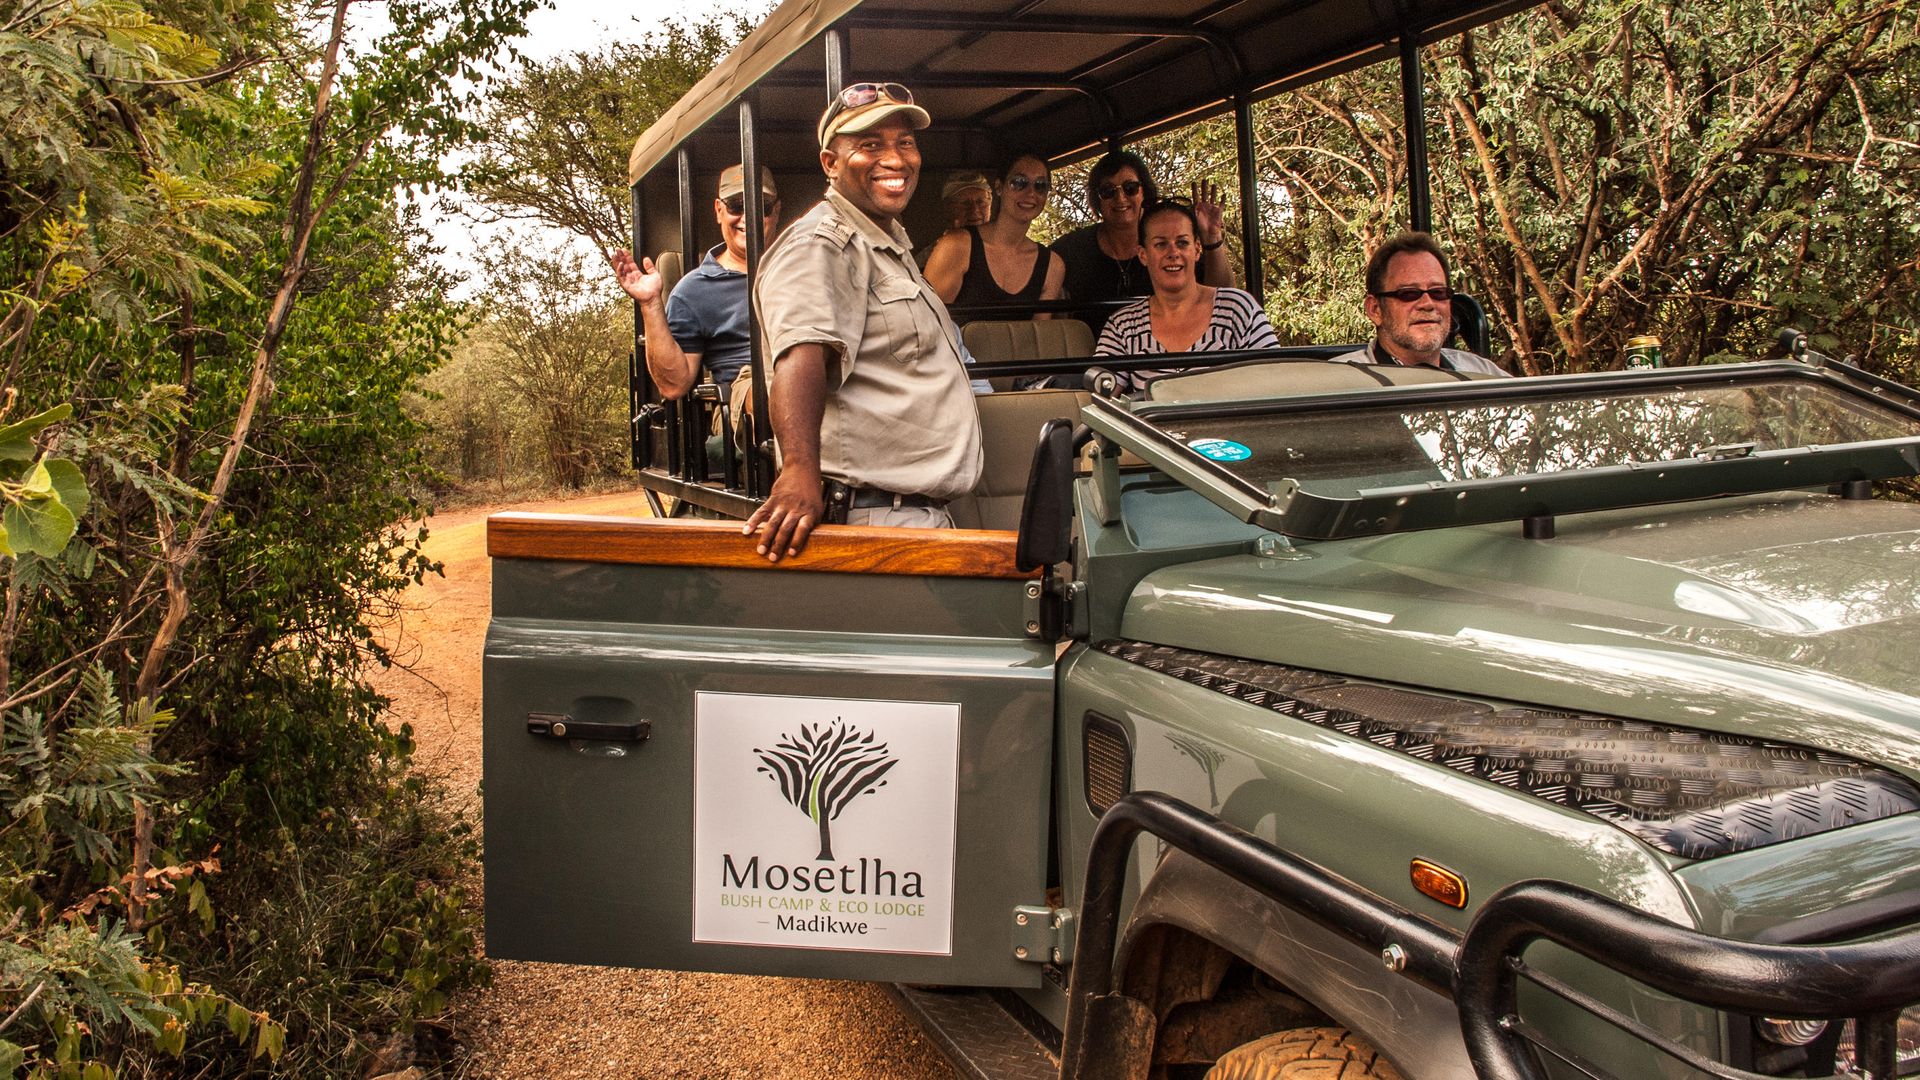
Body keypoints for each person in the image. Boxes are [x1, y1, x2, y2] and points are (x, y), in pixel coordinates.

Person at [744, 82, 984, 563]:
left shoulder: (887, 243)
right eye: (870, 145)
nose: (895, 159)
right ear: (830, 164)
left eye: (905, 143)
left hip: (915, 515)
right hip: (877, 518)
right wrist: (797, 469)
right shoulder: (821, 243)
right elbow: (799, 356)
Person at [613, 164, 782, 404]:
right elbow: (673, 386)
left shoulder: (804, 268)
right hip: (748, 395)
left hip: (817, 374)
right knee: (782, 388)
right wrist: (650, 303)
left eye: (761, 207)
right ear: (718, 210)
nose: (748, 216)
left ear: (776, 211)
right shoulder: (694, 291)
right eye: (736, 206)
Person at [1093, 200, 1278, 392]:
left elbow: (1277, 379)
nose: (1173, 253)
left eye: (1182, 243)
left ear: (1197, 249)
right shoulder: (1124, 325)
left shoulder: (1238, 309)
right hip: (1149, 423)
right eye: (1160, 244)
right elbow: (1101, 399)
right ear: (1143, 255)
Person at [1049, 150, 1236, 336]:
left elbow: (1223, 298)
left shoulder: (1170, 243)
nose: (1120, 198)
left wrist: (1212, 238)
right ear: (1097, 200)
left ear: (1144, 193)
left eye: (1130, 187)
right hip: (1097, 360)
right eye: (1108, 191)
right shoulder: (1073, 250)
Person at [1331, 232, 1508, 376]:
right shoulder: (1339, 383)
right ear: (1375, 310)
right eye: (1409, 294)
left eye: (1438, 292)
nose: (1427, 304)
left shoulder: (1482, 374)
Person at [922, 152, 1066, 312]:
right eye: (1019, 182)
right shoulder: (956, 246)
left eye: (1041, 185)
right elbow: (928, 324)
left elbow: (1041, 333)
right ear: (999, 187)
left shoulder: (1052, 265)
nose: (1031, 193)